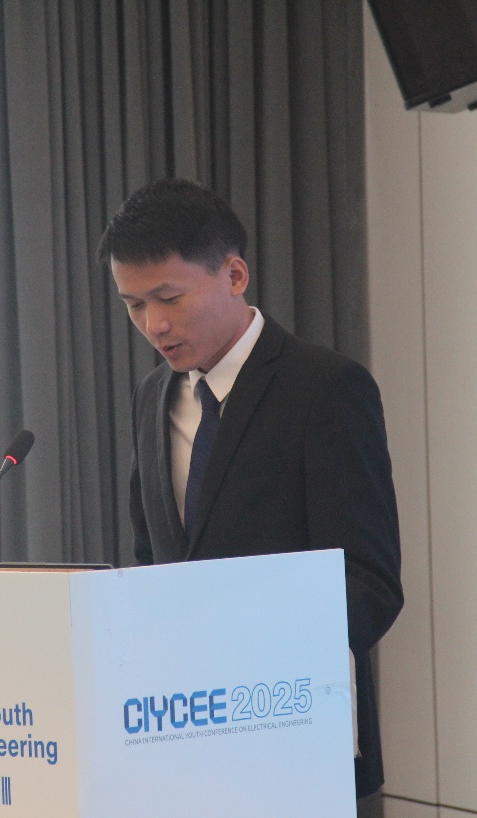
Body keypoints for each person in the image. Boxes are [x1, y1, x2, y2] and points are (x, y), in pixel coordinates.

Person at [98, 178, 403, 800]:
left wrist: (228, 640)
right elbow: (153, 562)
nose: (154, 325)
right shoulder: (153, 397)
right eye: (133, 305)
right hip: (182, 742)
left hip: (295, 741)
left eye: (169, 298)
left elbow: (370, 588)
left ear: (234, 275)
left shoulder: (325, 389)